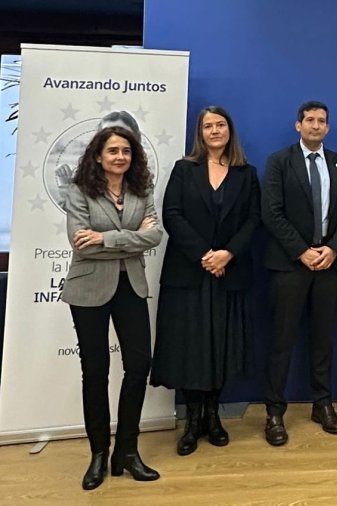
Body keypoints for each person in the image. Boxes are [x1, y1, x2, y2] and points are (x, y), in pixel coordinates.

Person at [150, 106, 260, 455]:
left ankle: (213, 415)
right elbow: (172, 214)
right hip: (189, 273)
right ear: (200, 132)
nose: (214, 131)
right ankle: (192, 420)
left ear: (230, 130)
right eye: (208, 126)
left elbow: (254, 220)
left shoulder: (246, 173)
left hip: (229, 274)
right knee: (190, 347)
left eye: (220, 125)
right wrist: (205, 255)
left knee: (221, 347)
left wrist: (227, 254)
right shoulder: (185, 169)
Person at [60, 126, 162, 489]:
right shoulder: (79, 190)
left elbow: (155, 235)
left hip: (130, 285)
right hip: (88, 288)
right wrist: (129, 240)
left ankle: (128, 451)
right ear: (98, 156)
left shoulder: (141, 190)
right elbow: (81, 243)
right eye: (113, 151)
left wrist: (106, 237)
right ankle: (99, 454)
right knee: (96, 370)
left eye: (126, 151)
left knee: (139, 365)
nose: (120, 157)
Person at [261, 101, 337, 444]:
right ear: (298, 125)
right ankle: (274, 412)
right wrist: (302, 252)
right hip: (290, 265)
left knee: (323, 339)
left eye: (322, 121)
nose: (316, 126)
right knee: (282, 341)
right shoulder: (279, 162)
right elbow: (271, 213)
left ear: (328, 128)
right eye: (310, 121)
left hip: (329, 265)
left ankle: (323, 403)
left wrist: (332, 249)